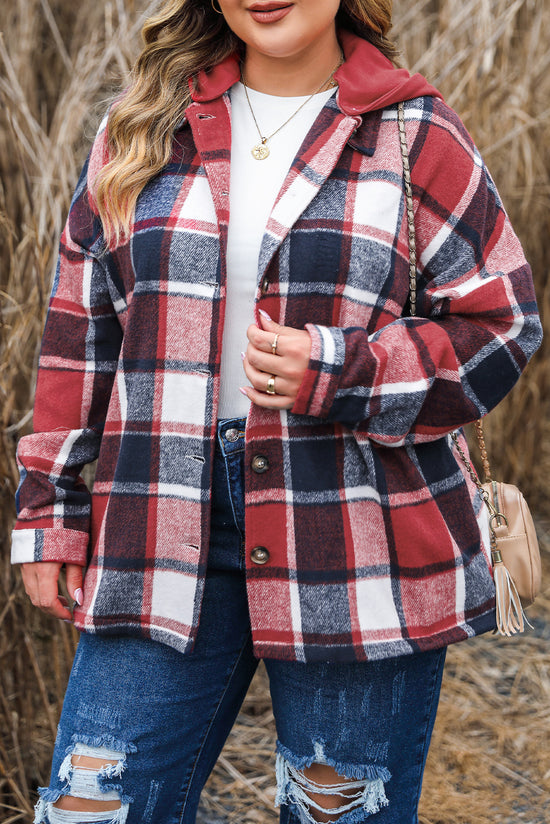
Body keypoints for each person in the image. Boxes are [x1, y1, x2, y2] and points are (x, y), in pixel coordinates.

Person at [11, 1, 542, 822]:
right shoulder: (143, 126)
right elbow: (78, 333)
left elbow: (502, 323)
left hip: (357, 538)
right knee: (91, 805)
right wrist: (49, 508)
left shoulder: (414, 131)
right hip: (156, 523)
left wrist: (340, 369)